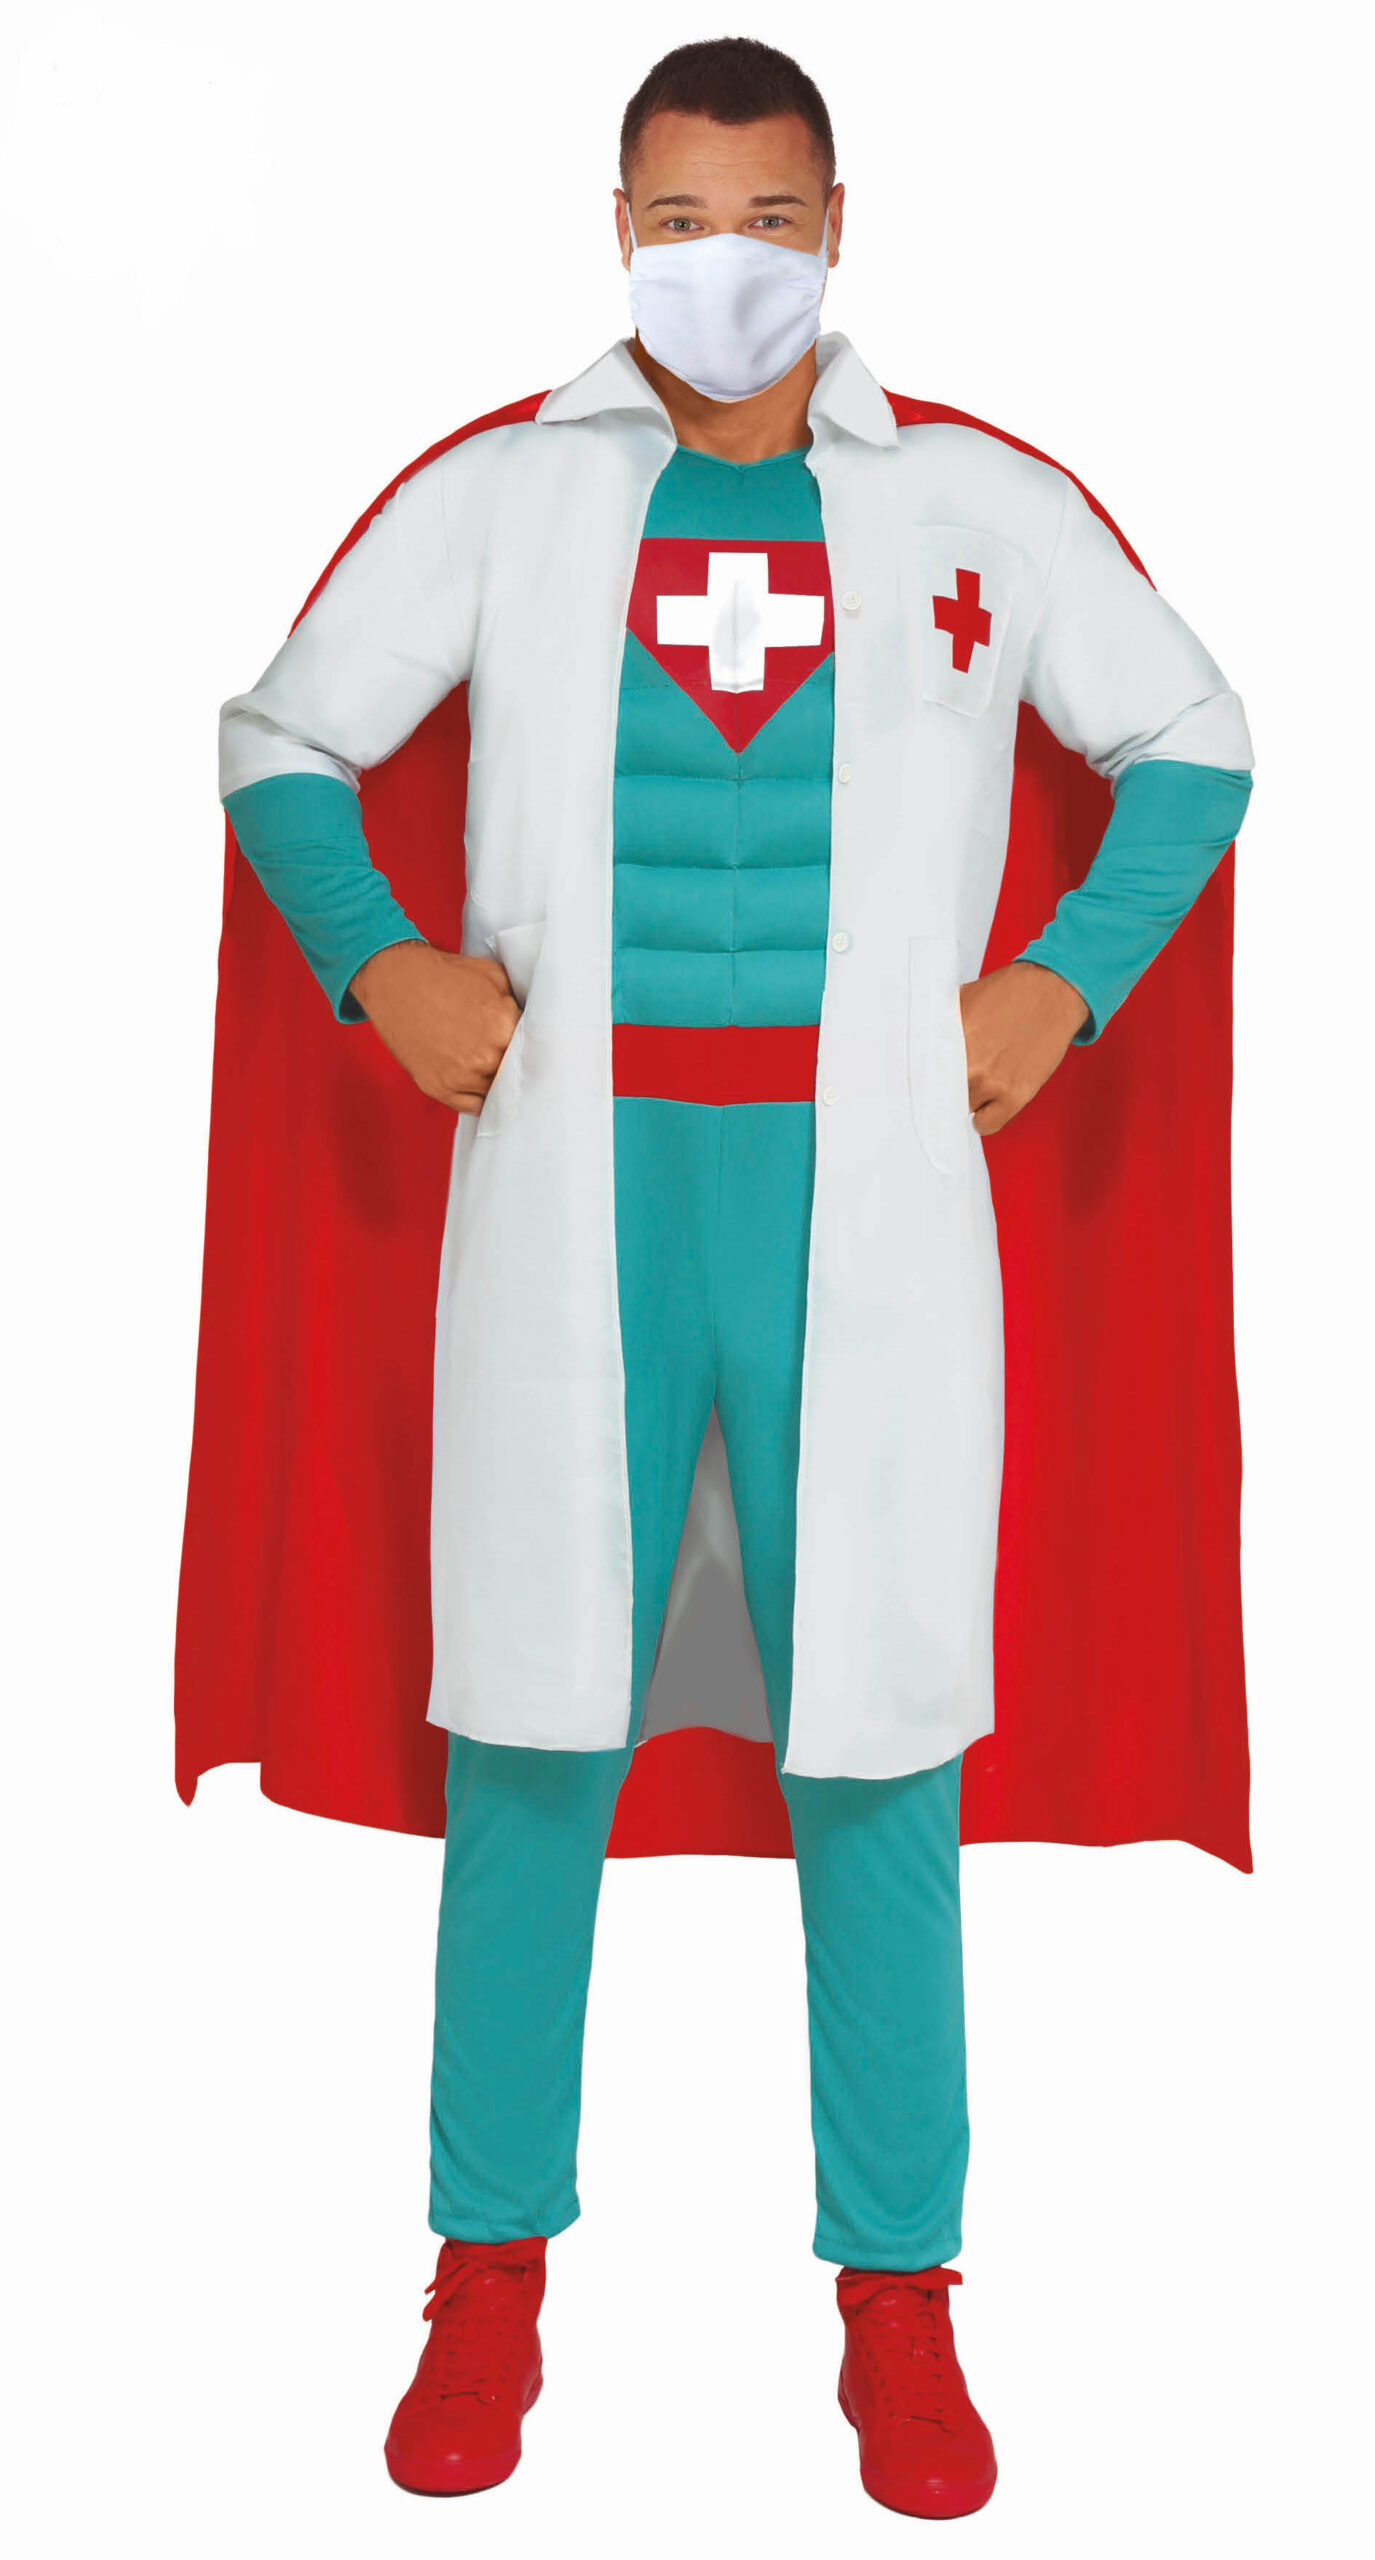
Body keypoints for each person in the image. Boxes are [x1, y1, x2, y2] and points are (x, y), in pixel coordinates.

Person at [210, 36, 1252, 2520]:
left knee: (877, 1747)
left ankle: (901, 2299)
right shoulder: (504, 499)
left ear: (836, 224)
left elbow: (1195, 734)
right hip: (573, 1190)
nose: (725, 265)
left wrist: (1063, 977)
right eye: (679, 220)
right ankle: (486, 2271)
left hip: (862, 1208)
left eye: (767, 218)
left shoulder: (971, 505)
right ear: (618, 231)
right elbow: (281, 735)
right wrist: (375, 956)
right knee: (528, 1740)